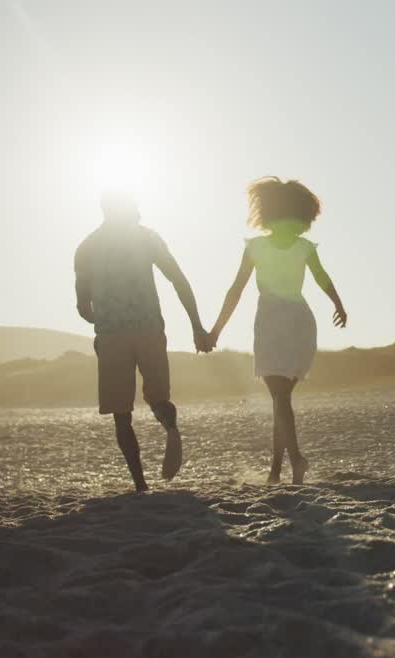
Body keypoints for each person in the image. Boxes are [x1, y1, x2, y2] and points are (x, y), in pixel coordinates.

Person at [209, 177, 347, 484]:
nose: (301, 225)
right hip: (284, 323)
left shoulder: (291, 248)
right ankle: (278, 469)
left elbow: (321, 277)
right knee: (280, 400)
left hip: (287, 323)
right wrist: (217, 329)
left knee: (280, 399)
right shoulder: (272, 247)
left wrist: (338, 304)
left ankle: (293, 461)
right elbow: (237, 288)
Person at [74, 191, 213, 493]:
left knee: (121, 415)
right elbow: (178, 279)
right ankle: (171, 428)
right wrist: (196, 326)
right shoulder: (146, 238)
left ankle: (140, 485)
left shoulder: (86, 248)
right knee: (159, 398)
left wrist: (102, 320)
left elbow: (83, 307)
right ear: (129, 211)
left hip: (111, 336)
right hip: (149, 328)